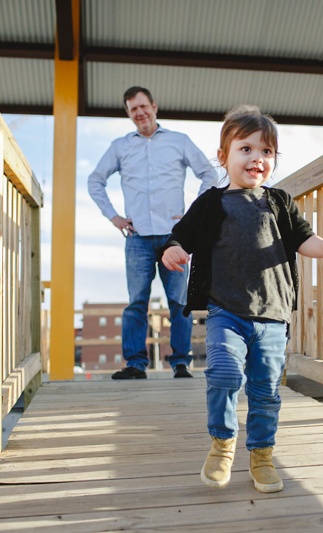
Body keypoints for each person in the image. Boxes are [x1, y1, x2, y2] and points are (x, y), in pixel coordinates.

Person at [159, 105, 323, 493]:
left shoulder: (278, 201)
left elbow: (303, 240)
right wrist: (173, 250)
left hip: (272, 315)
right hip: (224, 310)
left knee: (264, 389)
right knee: (225, 374)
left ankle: (262, 454)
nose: (256, 159)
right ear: (224, 156)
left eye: (266, 152)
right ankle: (222, 444)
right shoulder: (211, 203)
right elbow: (180, 236)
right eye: (245, 149)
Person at [88, 86, 218, 380]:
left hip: (175, 237)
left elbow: (208, 174)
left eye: (143, 106)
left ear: (154, 106)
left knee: (179, 302)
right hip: (137, 238)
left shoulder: (178, 141)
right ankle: (135, 364)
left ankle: (181, 363)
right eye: (133, 109)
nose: (139, 113)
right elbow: (95, 180)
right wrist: (114, 217)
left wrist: (192, 215)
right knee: (136, 302)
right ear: (128, 113)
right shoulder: (120, 147)